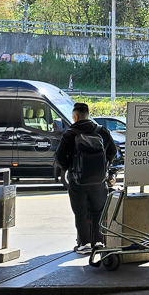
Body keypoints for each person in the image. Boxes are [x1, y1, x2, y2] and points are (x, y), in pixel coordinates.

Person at [54, 102, 118, 254]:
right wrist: (103, 167)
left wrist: (70, 168)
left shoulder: (70, 134)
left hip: (78, 181)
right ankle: (99, 242)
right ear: (88, 115)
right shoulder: (101, 131)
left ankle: (85, 244)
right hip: (99, 181)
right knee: (98, 211)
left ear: (75, 116)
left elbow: (60, 157)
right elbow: (113, 151)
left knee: (81, 212)